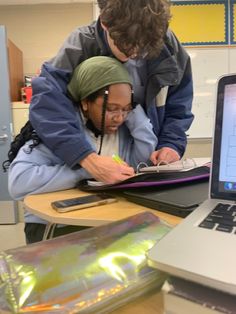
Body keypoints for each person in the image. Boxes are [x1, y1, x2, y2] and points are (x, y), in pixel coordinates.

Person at [29, 0, 194, 185]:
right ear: (104, 24)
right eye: (127, 46)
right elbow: (48, 102)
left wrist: (171, 145)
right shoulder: (81, 44)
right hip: (95, 157)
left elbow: (179, 106)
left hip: (145, 163)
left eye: (144, 48)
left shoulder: (169, 47)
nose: (135, 54)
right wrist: (87, 159)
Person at [8, 56, 158, 244]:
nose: (119, 118)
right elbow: (18, 183)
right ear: (85, 103)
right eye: (111, 109)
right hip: (53, 224)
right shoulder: (60, 131)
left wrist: (134, 114)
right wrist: (88, 169)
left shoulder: (119, 130)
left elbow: (140, 161)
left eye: (126, 109)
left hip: (99, 218)